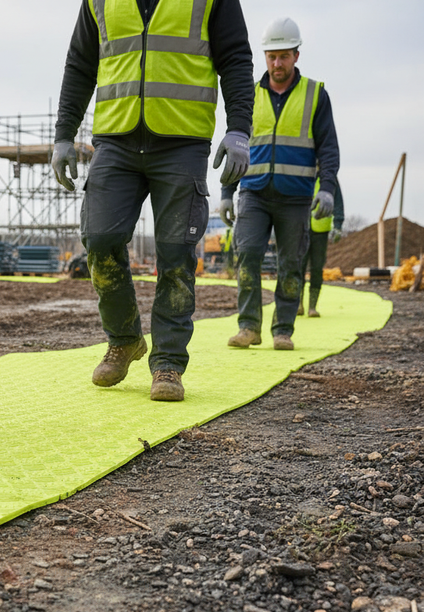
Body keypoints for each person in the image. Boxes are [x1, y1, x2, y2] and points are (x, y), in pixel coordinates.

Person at [52, 0, 254, 402]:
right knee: (99, 238)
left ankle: (168, 363)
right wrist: (63, 134)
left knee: (176, 253)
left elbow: (235, 60)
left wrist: (239, 130)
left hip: (182, 141)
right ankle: (125, 339)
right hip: (116, 139)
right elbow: (80, 64)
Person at [222, 17, 340, 351]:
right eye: (272, 56)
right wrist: (227, 193)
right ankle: (248, 326)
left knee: (291, 264)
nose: (277, 63)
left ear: (296, 56)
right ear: (265, 56)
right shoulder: (248, 93)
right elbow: (235, 143)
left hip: (296, 197)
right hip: (254, 192)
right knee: (247, 256)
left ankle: (283, 330)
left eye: (284, 56)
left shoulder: (315, 95)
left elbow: (328, 148)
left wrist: (328, 188)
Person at [298, 177, 344, 317]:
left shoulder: (329, 179)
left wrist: (338, 225)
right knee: (298, 266)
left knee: (317, 268)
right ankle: (297, 303)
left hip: (321, 229)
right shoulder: (303, 171)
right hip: (300, 228)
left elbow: (338, 202)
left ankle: (312, 306)